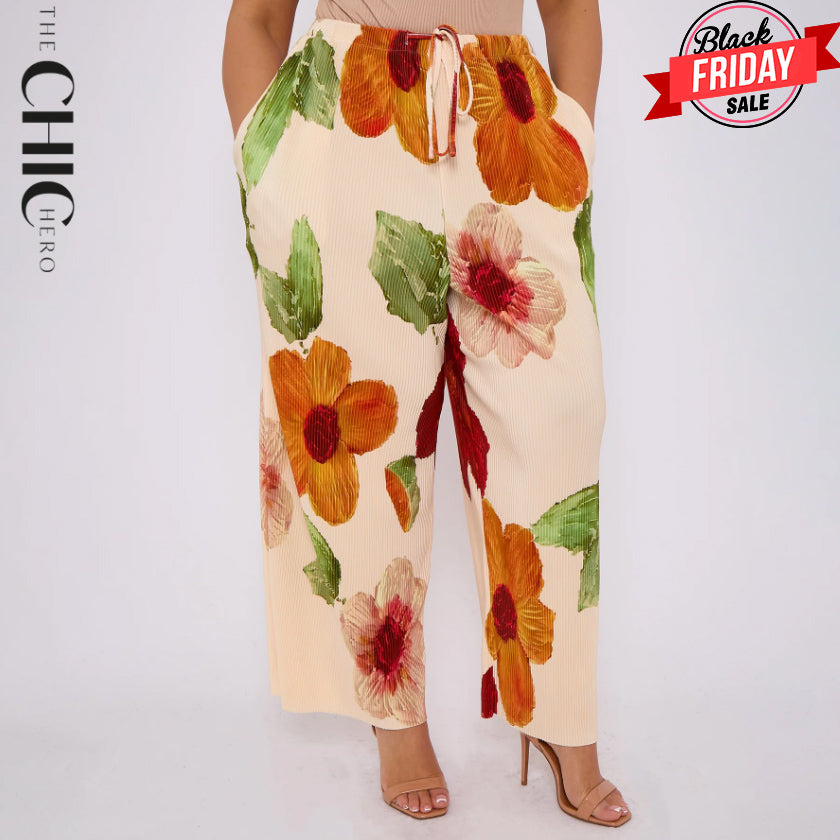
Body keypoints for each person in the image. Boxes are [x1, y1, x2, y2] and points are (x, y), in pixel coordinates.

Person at [222, 0, 632, 825]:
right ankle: (394, 713)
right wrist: (266, 157)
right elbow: (258, 18)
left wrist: (574, 138)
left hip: (505, 107)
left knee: (558, 417)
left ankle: (557, 711)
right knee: (363, 444)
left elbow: (570, 9)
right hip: (351, 117)